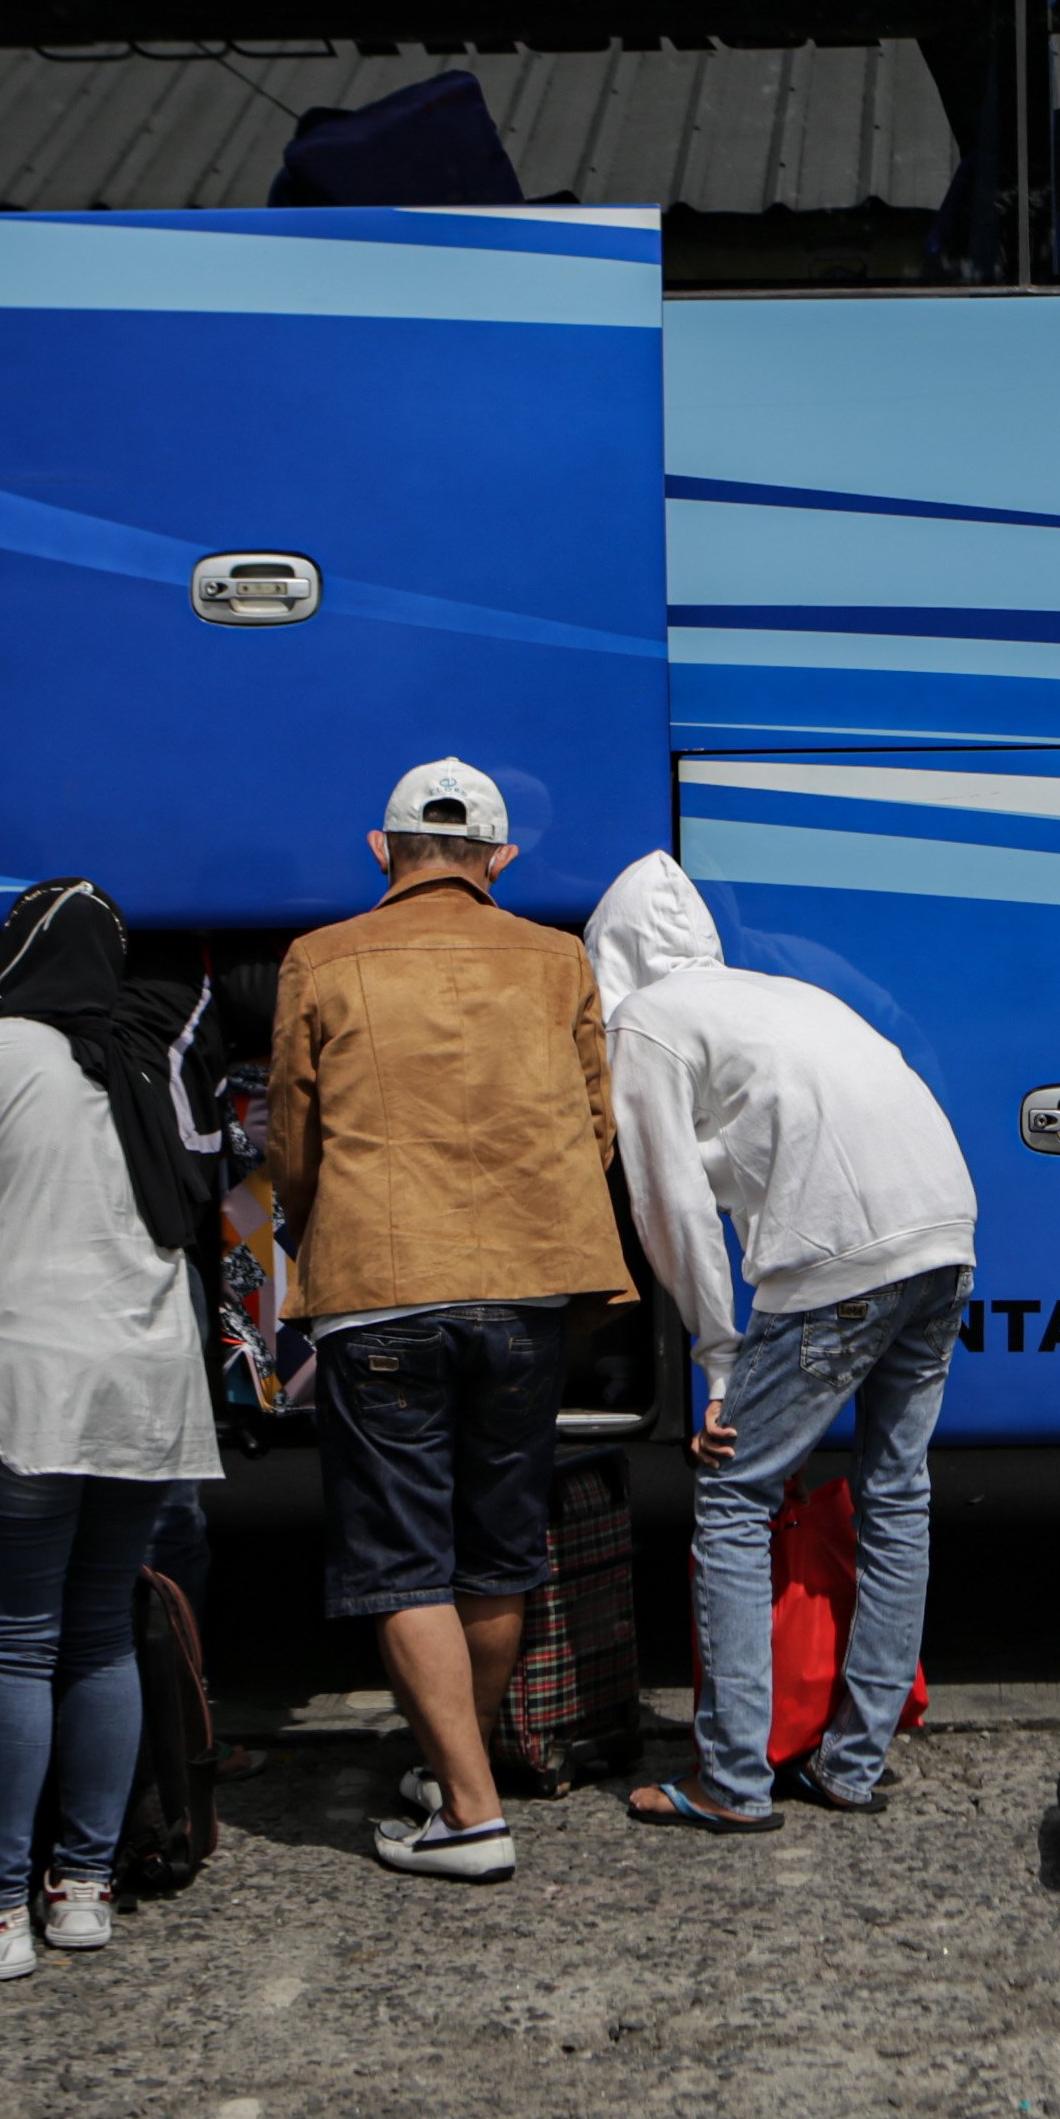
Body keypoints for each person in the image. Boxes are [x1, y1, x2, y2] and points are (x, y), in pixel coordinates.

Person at [264, 756, 634, 1883]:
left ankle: (469, 1813)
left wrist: (313, 1226)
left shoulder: (321, 957)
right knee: (496, 1548)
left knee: (403, 1557)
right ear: (499, 859)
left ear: (382, 850)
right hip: (526, 1289)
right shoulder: (558, 958)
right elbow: (597, 1126)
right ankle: (451, 1776)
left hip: (380, 1288)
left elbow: (293, 1139)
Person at [0, 877, 223, 1980]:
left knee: (16, 1645)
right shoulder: (138, 1061)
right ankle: (81, 1886)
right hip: (148, 1387)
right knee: (102, 1630)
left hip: (28, 1379)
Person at [582, 851, 977, 1832]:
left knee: (733, 1493)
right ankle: (852, 1763)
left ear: (612, 955)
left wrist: (718, 1359)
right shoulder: (776, 993)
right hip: (944, 1235)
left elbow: (670, 1203)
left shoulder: (645, 1021)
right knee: (897, 1494)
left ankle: (732, 1779)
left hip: (839, 1265)